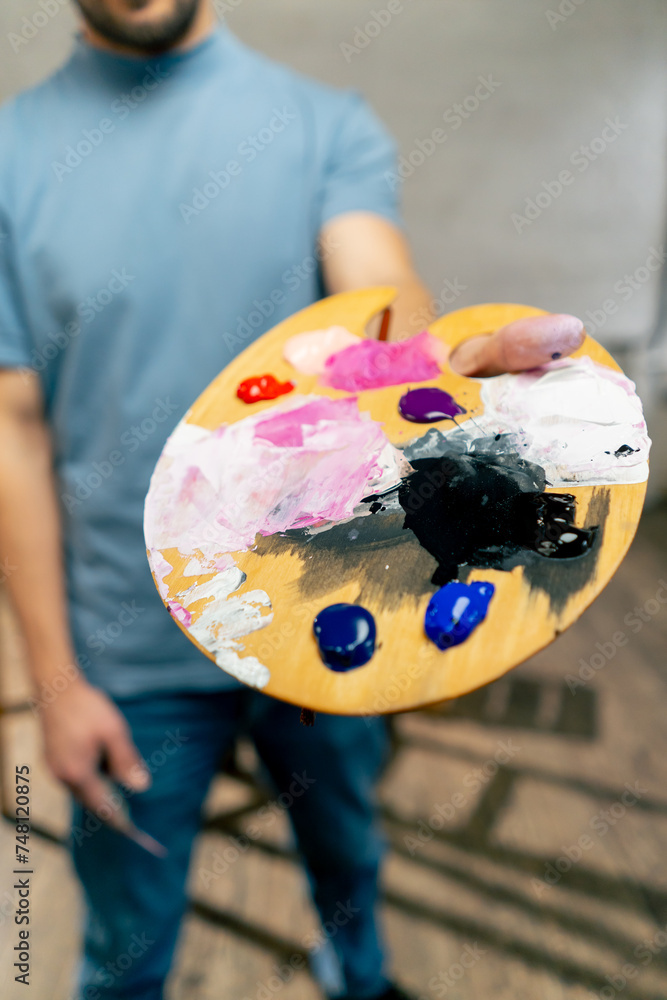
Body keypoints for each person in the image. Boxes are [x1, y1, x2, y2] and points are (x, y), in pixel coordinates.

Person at [0, 2, 586, 998]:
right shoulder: (10, 156)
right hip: (125, 652)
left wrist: (436, 364)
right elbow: (11, 425)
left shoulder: (324, 125)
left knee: (349, 855)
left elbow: (377, 290)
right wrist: (55, 682)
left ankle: (355, 974)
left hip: (326, 611)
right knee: (127, 941)